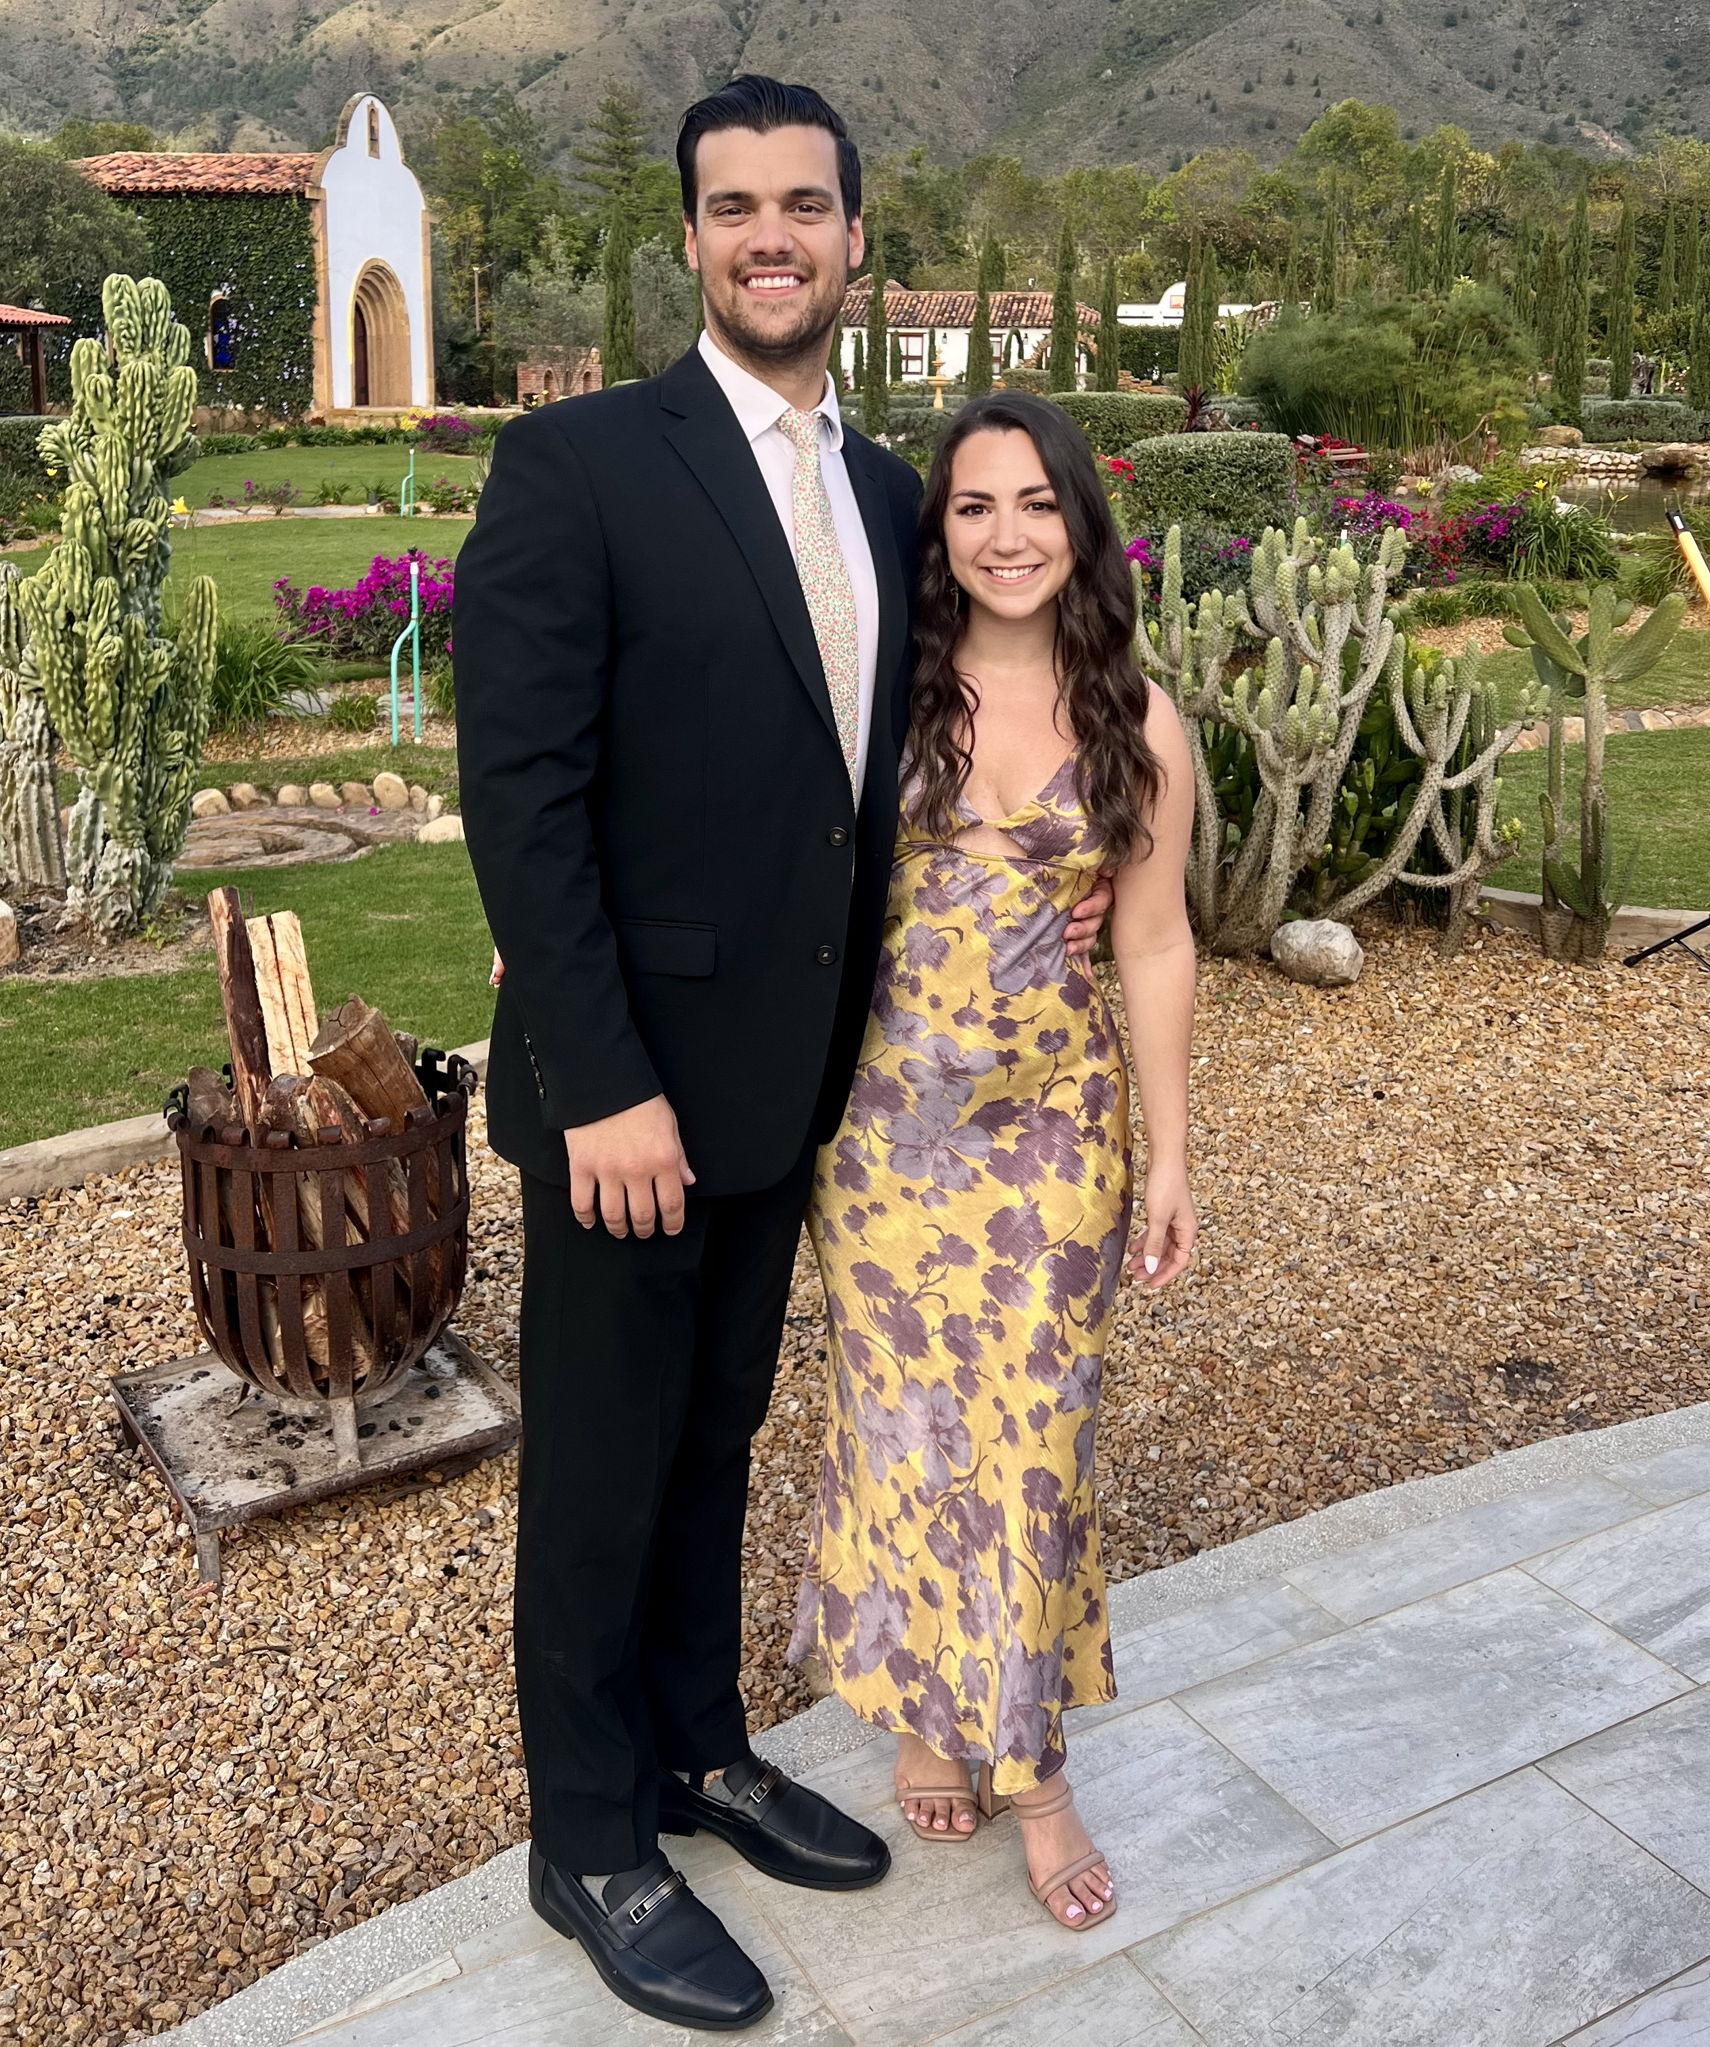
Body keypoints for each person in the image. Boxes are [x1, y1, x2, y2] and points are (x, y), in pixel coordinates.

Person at [454, 78, 1109, 2032]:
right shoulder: (579, 463)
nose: (769, 236)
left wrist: (1074, 886)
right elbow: (521, 798)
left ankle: (695, 1750)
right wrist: (601, 1084)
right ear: (690, 238)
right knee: (599, 1467)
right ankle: (588, 1835)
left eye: (802, 206)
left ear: (851, 239)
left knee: (713, 1440)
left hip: (802, 1092)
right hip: (628, 1100)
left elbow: (933, 755)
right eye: (733, 206)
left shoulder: (898, 495)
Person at [785, 391, 1199, 1934]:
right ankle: (919, 1703)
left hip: (1053, 1142)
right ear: (938, 530)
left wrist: (1172, 1156)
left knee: (1032, 1442)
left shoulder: (1138, 722)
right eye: (974, 505)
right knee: (902, 1430)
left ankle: (1036, 1772)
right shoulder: (880, 698)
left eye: (1037, 503)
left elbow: (1155, 943)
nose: (1007, 535)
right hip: (881, 1143)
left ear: (1079, 524)